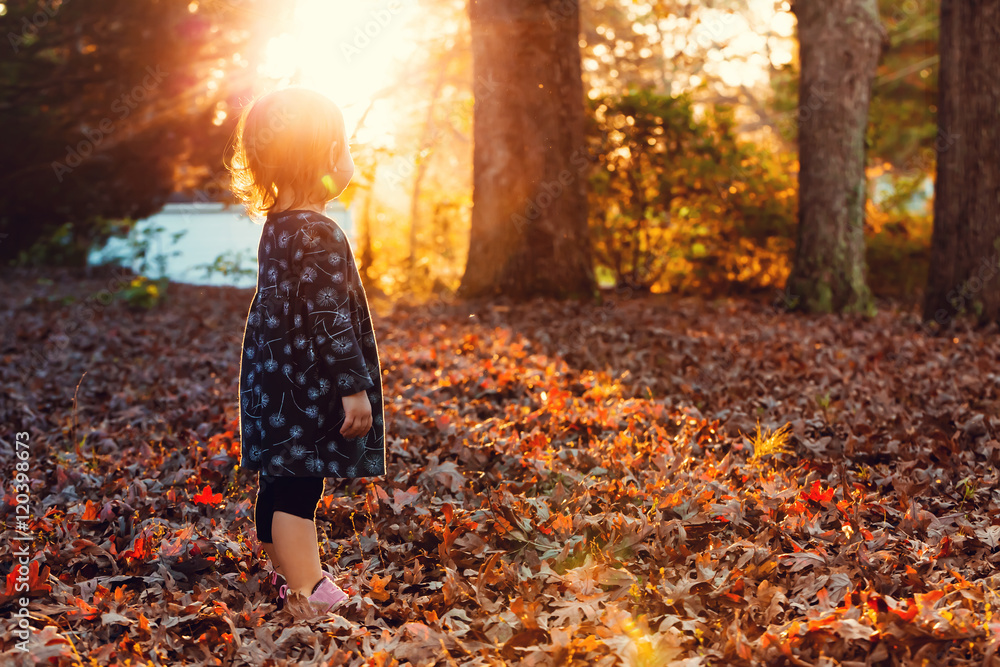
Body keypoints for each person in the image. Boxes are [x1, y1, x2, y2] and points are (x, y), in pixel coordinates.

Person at [227, 86, 386, 616]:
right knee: (299, 487)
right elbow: (329, 317)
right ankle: (310, 589)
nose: (349, 158)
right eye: (343, 146)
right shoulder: (318, 232)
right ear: (321, 158)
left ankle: (285, 578)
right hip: (309, 382)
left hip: (274, 378)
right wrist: (354, 387)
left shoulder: (278, 227)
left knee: (279, 477)